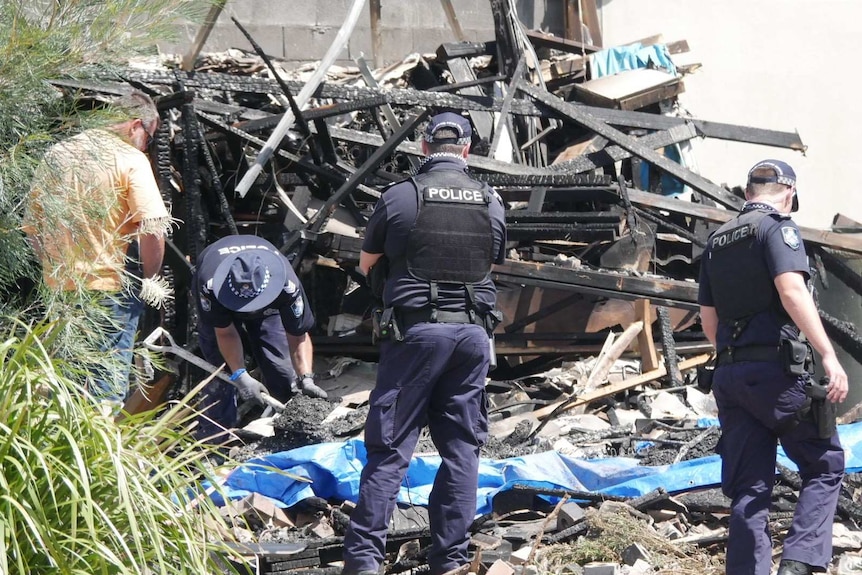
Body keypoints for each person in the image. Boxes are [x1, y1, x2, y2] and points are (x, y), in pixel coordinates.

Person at [342, 111, 507, 575]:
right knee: (461, 448)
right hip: (473, 336)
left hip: (416, 335)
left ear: (423, 146)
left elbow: (367, 262)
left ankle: (364, 563)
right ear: (468, 150)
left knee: (391, 447)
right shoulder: (491, 200)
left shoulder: (400, 197)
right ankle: (450, 561)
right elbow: (490, 263)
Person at [697, 159, 849, 575]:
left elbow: (709, 321)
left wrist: (738, 354)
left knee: (749, 487)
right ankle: (798, 563)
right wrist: (829, 355)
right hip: (777, 377)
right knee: (825, 463)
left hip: (729, 377)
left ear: (747, 193)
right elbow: (791, 291)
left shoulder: (716, 241)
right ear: (789, 192)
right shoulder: (777, 228)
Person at [23, 90, 171, 412]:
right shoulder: (130, 158)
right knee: (105, 385)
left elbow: (32, 228)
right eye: (149, 138)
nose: (147, 145)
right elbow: (154, 228)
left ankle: (56, 450)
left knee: (62, 379)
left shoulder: (57, 154)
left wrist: (53, 269)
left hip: (58, 290)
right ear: (135, 126)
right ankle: (97, 457)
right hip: (110, 289)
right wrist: (151, 279)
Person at [192, 234, 327, 440]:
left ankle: (286, 434)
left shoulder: (286, 286)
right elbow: (225, 332)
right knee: (221, 373)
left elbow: (298, 334)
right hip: (223, 299)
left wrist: (306, 378)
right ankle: (215, 440)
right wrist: (240, 375)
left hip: (268, 305)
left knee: (282, 371)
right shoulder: (210, 285)